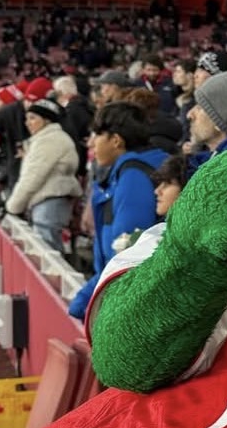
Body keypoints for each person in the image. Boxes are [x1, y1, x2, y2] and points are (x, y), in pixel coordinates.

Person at [67, 104, 170, 321]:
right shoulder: (129, 171)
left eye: (97, 135)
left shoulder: (133, 178)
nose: (91, 143)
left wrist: (84, 302)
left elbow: (127, 257)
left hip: (133, 308)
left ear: (116, 140)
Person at [2, 97, 81, 249]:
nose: (27, 123)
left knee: (48, 253)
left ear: (47, 120)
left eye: (32, 118)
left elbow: (32, 177)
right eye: (26, 118)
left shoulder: (50, 141)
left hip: (49, 207)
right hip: (48, 205)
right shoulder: (45, 139)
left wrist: (12, 207)